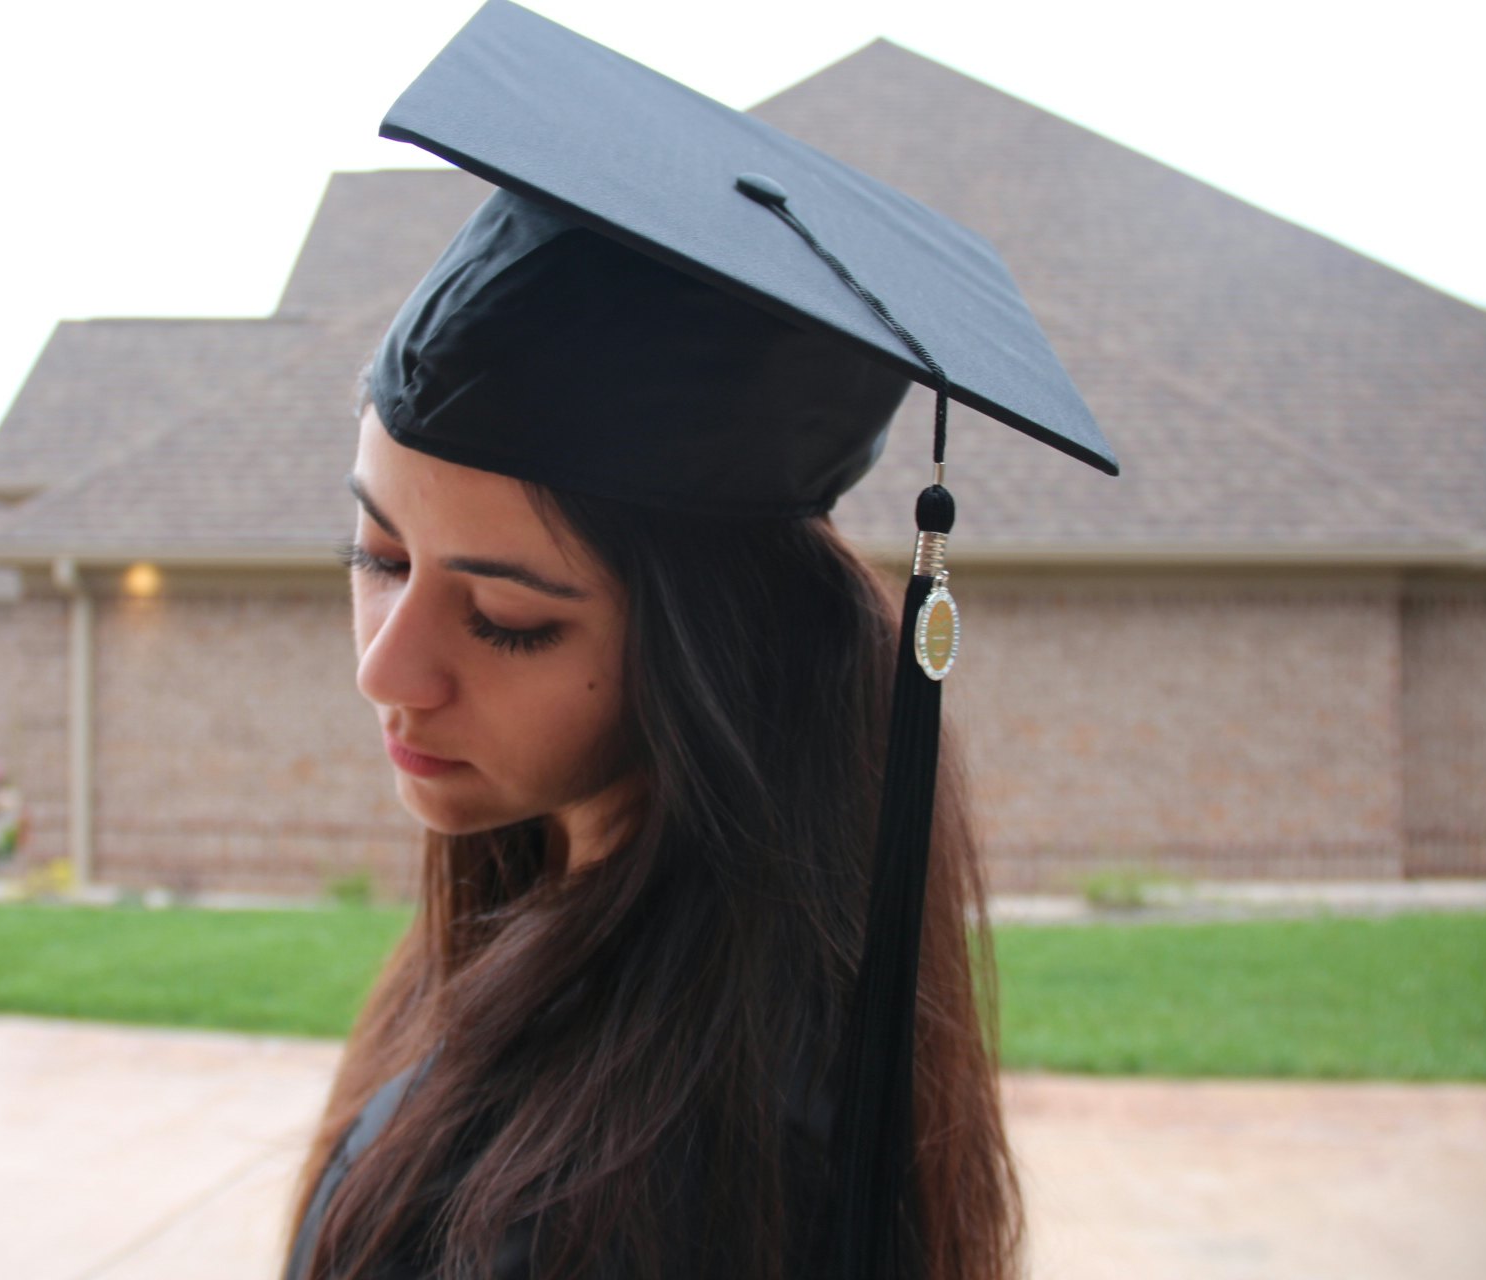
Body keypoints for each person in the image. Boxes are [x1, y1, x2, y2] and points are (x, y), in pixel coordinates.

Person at [280, 5, 1116, 1278]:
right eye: (379, 556)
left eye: (508, 618)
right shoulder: (585, 951)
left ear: (713, 654)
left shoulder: (618, 1207)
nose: (385, 667)